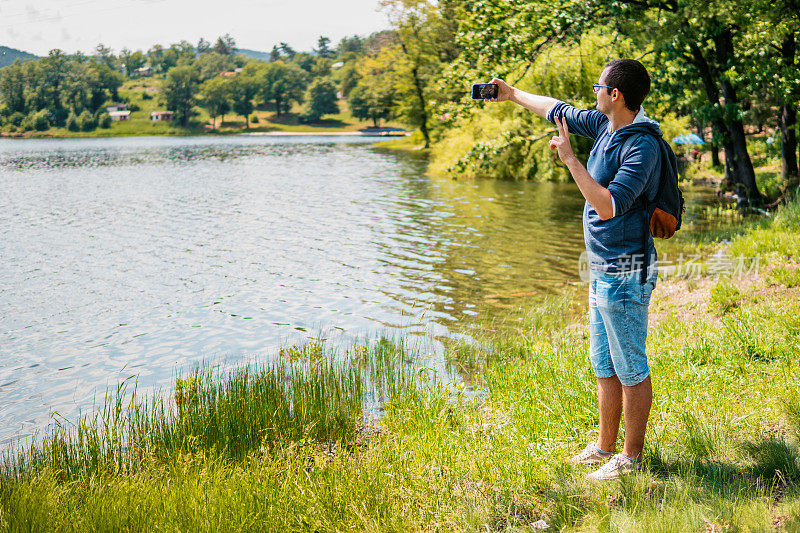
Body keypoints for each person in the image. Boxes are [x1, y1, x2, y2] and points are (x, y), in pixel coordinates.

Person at [486, 59, 661, 480]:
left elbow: (607, 205)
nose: (594, 93)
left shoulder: (641, 146)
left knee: (631, 366)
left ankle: (631, 459)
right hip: (601, 267)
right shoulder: (605, 126)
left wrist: (569, 159)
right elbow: (555, 108)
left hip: (625, 269)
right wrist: (512, 94)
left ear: (614, 94)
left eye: (598, 87)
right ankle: (605, 447)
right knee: (604, 361)